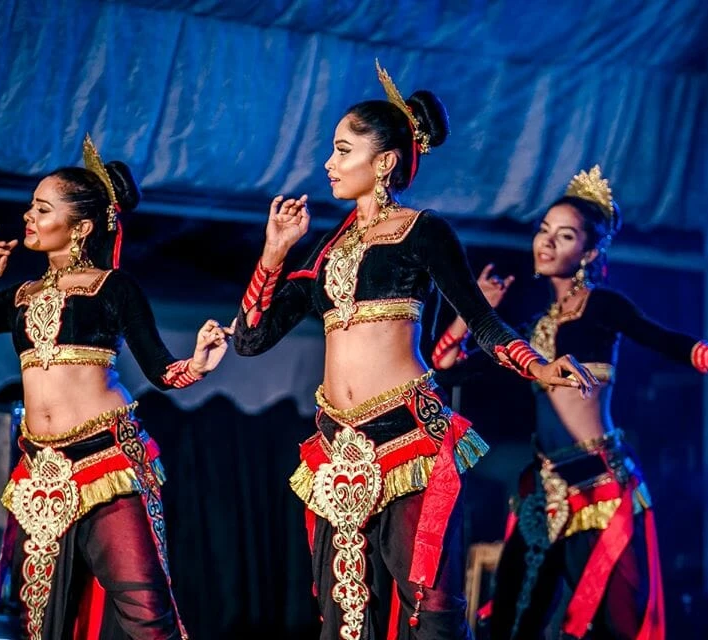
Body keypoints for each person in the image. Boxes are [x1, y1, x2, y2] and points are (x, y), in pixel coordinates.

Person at [232, 60, 599, 640]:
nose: (328, 163)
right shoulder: (324, 254)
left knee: (429, 603)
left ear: (383, 163)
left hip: (408, 438)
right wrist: (274, 256)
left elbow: (480, 321)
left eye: (341, 149)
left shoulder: (423, 232)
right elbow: (249, 340)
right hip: (338, 447)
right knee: (347, 612)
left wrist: (537, 365)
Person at [430, 165, 708, 640]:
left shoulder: (603, 308)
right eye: (544, 230)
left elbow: (665, 339)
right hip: (545, 487)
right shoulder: (531, 326)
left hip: (601, 484)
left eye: (566, 235)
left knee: (616, 621)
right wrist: (475, 316)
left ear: (590, 252)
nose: (547, 242)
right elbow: (447, 365)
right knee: (515, 618)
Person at [0, 135, 232, 640]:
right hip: (41, 469)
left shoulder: (113, 287)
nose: (28, 218)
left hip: (108, 460)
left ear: (80, 227)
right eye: (31, 208)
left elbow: (164, 372)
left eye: (41, 208)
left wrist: (200, 363)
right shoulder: (20, 297)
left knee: (146, 611)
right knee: (42, 621)